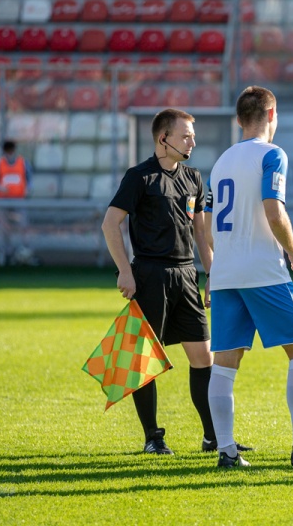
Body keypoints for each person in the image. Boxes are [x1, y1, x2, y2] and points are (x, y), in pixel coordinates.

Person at [204, 87, 293, 469]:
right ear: (272, 115)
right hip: (263, 270)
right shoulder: (272, 154)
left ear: (238, 120)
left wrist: (216, 265)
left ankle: (226, 451)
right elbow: (274, 210)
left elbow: (206, 223)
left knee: (224, 362)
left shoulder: (221, 161)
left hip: (226, 272)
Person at [102, 108, 246, 456]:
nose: (192, 142)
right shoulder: (139, 177)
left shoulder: (194, 177)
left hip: (187, 276)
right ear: (163, 138)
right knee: (143, 360)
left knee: (204, 357)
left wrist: (212, 274)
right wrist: (124, 271)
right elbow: (110, 223)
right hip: (149, 275)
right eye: (186, 136)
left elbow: (200, 231)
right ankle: (153, 438)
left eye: (193, 136)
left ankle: (213, 437)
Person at [0, 140, 35, 266]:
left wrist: (28, 190)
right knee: (3, 228)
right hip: (3, 200)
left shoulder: (23, 163)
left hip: (19, 200)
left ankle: (25, 252)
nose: (9, 153)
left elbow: (29, 180)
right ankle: (5, 252)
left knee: (23, 226)